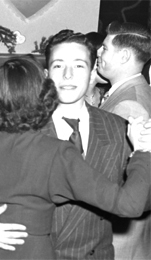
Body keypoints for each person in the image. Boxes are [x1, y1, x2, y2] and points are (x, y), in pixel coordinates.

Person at [0, 30, 149, 259]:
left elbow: (138, 199)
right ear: (46, 74)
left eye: (78, 66)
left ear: (92, 72)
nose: (68, 75)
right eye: (58, 66)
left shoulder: (119, 128)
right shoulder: (15, 127)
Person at [96, 22, 151, 259]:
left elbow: (119, 172)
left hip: (120, 234)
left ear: (125, 55)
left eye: (105, 48)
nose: (98, 52)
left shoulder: (130, 104)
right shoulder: (134, 90)